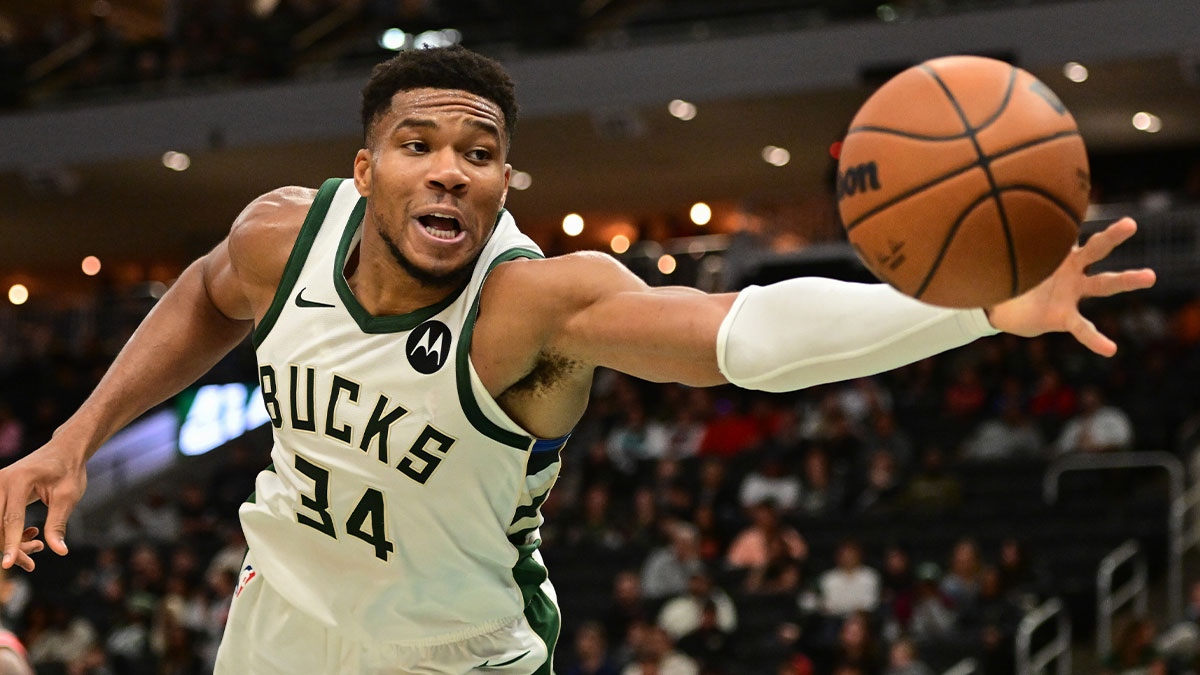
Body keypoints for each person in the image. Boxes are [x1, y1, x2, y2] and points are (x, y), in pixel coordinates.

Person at [0, 44, 1155, 674]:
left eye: (481, 151)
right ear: (365, 170)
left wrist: (973, 311)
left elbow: (738, 335)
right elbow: (207, 292)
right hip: (281, 623)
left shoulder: (536, 306)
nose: (450, 168)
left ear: (506, 183)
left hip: (456, 658)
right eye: (419, 144)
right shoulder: (278, 237)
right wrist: (75, 437)